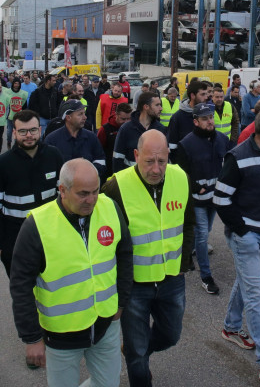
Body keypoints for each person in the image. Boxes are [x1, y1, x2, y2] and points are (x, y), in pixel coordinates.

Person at [9, 159, 133, 383]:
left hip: (105, 325)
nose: (92, 200)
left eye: (95, 191)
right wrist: (32, 338)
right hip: (61, 337)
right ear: (62, 190)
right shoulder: (37, 225)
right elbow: (20, 285)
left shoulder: (109, 207)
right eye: (83, 194)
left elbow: (124, 254)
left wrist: (120, 303)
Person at [101, 130, 195, 386]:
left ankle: (140, 350)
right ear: (135, 156)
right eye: (148, 162)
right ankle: (137, 356)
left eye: (161, 161)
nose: (156, 169)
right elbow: (104, 237)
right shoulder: (115, 187)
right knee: (136, 352)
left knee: (171, 336)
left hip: (171, 279)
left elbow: (188, 224)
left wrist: (183, 263)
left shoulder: (181, 178)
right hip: (134, 286)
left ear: (168, 157)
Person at [213, 108, 260, 387]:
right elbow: (221, 200)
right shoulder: (238, 157)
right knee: (256, 295)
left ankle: (231, 327)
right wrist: (242, 232)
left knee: (247, 283)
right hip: (246, 237)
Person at [0, 109, 64, 277]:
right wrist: (0, 245)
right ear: (14, 133)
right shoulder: (2, 164)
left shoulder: (54, 155)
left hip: (51, 237)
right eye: (22, 131)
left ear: (40, 130)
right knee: (23, 291)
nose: (29, 135)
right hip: (15, 241)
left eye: (33, 130)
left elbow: (64, 197)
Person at [177, 103, 228, 295]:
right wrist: (197, 187)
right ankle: (206, 277)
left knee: (204, 231)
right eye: (205, 118)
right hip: (197, 199)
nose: (210, 121)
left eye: (211, 117)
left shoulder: (222, 139)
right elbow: (182, 174)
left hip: (215, 198)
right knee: (202, 236)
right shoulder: (186, 144)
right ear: (196, 121)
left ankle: (188, 250)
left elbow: (228, 165)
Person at [45, 100, 107, 179]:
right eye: (80, 114)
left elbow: (100, 161)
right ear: (68, 117)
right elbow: (48, 169)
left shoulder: (92, 137)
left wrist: (86, 175)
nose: (85, 117)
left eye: (84, 113)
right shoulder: (52, 140)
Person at [112, 92, 165, 173]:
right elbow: (117, 159)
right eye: (157, 105)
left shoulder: (161, 129)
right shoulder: (126, 129)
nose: (161, 108)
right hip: (130, 180)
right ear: (146, 107)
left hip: (153, 180)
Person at [167, 80, 208, 162]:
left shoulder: (208, 114)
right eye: (202, 94)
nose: (206, 97)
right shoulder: (177, 117)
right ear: (193, 95)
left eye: (206, 94)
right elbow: (172, 147)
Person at [97, 103, 132, 177]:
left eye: (128, 119)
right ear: (116, 115)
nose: (126, 122)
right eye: (123, 119)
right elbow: (98, 150)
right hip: (109, 169)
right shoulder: (105, 129)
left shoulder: (132, 128)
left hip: (127, 169)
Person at [6, 79, 29, 150]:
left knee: (17, 131)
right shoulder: (7, 92)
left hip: (19, 116)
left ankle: (16, 145)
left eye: (18, 83)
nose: (16, 85)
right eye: (15, 83)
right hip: (10, 115)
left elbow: (24, 105)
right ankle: (9, 142)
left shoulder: (23, 93)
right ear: (13, 84)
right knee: (9, 131)